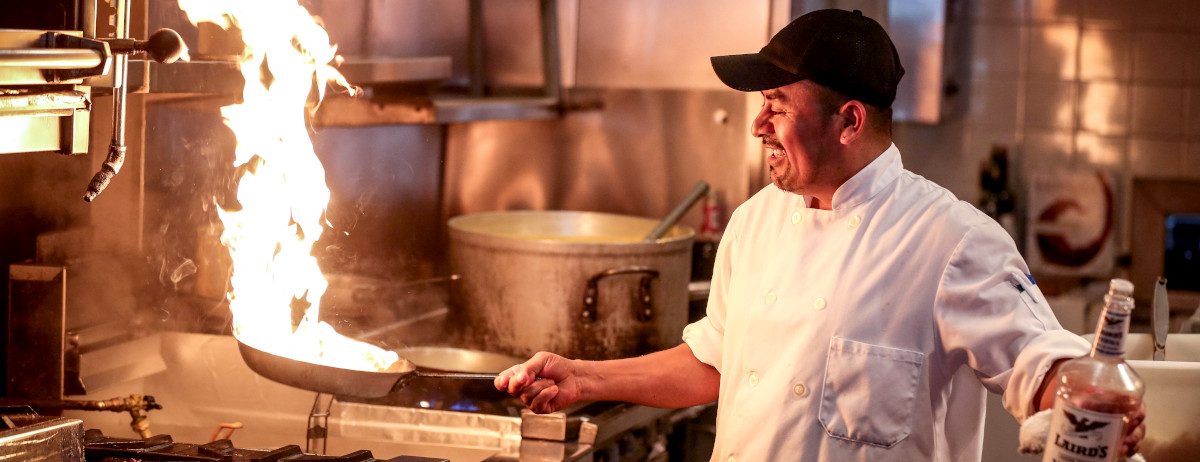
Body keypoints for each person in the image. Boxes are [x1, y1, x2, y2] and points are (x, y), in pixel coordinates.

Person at [495, 9, 1145, 461]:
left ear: (849, 121)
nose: (757, 126)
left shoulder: (949, 241)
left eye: (777, 105)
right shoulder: (753, 224)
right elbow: (716, 362)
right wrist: (584, 379)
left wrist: (1083, 388)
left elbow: (1039, 360)